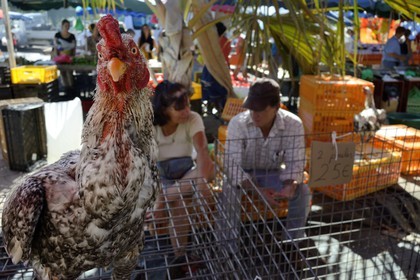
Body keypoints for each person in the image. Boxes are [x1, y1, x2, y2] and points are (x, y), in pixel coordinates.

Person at [223, 78, 311, 242]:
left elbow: (296, 163)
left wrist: (290, 185)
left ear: (276, 107)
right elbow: (232, 168)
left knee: (303, 191)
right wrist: (258, 191)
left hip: (273, 174)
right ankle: (228, 247)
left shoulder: (294, 124)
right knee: (229, 190)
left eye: (260, 109)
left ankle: (292, 243)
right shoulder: (237, 124)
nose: (254, 114)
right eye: (251, 108)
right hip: (245, 175)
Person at [151, 80, 215, 256]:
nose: (186, 111)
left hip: (188, 174)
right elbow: (148, 167)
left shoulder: (193, 119)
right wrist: (158, 199)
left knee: (208, 168)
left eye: (187, 105)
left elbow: (202, 150)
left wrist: (202, 183)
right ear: (164, 110)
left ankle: (179, 257)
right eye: (179, 108)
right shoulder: (150, 125)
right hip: (161, 177)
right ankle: (180, 255)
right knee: (180, 202)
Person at [201, 22, 231, 113]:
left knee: (210, 87)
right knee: (220, 89)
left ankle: (211, 106)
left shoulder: (210, 41)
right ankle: (220, 108)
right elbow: (226, 56)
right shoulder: (226, 41)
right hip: (220, 68)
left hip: (209, 68)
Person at [53, 19, 77, 88]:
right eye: (65, 26)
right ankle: (65, 88)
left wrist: (73, 57)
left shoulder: (72, 36)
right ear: (62, 26)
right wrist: (56, 57)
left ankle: (71, 88)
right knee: (62, 74)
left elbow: (74, 48)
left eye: (68, 26)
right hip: (60, 58)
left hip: (69, 58)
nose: (67, 27)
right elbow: (55, 47)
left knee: (69, 73)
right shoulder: (57, 35)